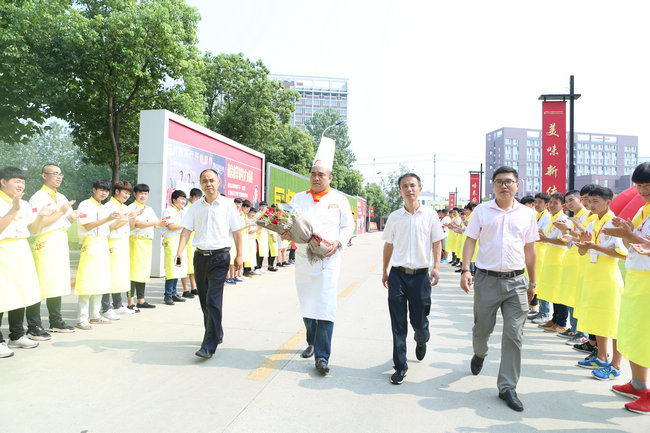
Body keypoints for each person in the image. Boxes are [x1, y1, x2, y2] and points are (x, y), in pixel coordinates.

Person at [460, 166, 538, 412]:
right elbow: (470, 240)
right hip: (486, 280)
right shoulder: (482, 211)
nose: (504, 186)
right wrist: (465, 270)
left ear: (517, 185)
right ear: (492, 185)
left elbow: (530, 250)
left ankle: (507, 386)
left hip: (516, 282)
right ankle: (480, 353)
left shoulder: (527, 214)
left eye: (509, 182)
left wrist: (533, 282)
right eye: (499, 182)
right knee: (482, 328)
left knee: (514, 334)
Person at [284, 137, 354, 375]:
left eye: (321, 174)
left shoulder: (339, 200)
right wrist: (285, 232)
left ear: (330, 177)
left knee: (324, 305)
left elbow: (348, 228)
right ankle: (311, 340)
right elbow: (289, 224)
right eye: (313, 173)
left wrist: (338, 243)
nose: (316, 177)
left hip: (328, 261)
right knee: (307, 303)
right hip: (303, 259)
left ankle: (322, 356)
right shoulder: (298, 199)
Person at [175, 169, 244, 359]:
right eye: (204, 181)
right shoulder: (195, 207)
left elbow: (237, 231)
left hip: (221, 258)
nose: (208, 184)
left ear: (218, 182)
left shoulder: (228, 205)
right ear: (200, 183)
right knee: (205, 301)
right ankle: (216, 332)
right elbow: (186, 230)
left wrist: (240, 256)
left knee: (214, 300)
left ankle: (209, 345)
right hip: (200, 258)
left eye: (211, 180)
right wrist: (179, 251)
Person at [382, 172, 443, 384]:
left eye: (413, 185)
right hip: (398, 274)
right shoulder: (394, 217)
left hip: (420, 276)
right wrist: (385, 270)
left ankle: (421, 337)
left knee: (419, 319)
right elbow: (388, 244)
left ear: (419, 188)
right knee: (398, 323)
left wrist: (436, 266)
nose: (409, 189)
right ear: (400, 191)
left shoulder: (430, 215)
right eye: (405, 186)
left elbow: (437, 242)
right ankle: (400, 365)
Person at [603, 162, 650, 414]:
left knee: (647, 336)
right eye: (639, 185)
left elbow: (640, 242)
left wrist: (632, 237)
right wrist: (626, 233)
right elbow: (636, 242)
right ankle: (638, 384)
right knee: (634, 334)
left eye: (647, 185)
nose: (643, 190)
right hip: (637, 280)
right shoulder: (644, 209)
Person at [574, 186, 626, 378]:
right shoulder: (591, 222)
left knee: (613, 321)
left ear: (608, 202)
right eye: (589, 200)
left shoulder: (613, 223)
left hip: (608, 277)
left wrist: (594, 245)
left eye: (596, 201)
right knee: (598, 318)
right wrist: (584, 245)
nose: (591, 204)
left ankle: (616, 365)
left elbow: (622, 253)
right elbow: (583, 251)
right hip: (593, 275)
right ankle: (602, 357)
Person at [0, 167, 49, 356]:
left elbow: (34, 230)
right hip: (4, 250)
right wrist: (14, 209)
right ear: (3, 182)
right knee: (3, 295)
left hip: (21, 250)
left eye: (23, 182)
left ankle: (17, 335)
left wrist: (42, 215)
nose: (21, 185)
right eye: (16, 181)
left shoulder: (26, 204)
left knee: (21, 292)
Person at [27, 164, 79, 338]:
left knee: (57, 283)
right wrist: (60, 212)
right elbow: (36, 225)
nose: (58, 177)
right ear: (44, 175)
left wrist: (71, 217)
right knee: (41, 284)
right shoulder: (38, 197)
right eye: (54, 174)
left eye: (60, 174)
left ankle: (56, 321)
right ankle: (34, 325)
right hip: (46, 242)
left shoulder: (62, 197)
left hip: (60, 241)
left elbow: (64, 222)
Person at [75, 179, 120, 329]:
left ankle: (95, 314)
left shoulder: (104, 208)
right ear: (94, 189)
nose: (104, 193)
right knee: (87, 280)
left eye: (106, 191)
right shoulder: (85, 205)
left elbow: (108, 227)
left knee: (101, 280)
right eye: (101, 189)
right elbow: (87, 225)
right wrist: (108, 219)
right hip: (90, 242)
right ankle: (82, 318)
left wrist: (125, 219)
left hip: (102, 242)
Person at [101, 181, 140, 319]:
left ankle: (118, 305)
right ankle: (106, 307)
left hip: (123, 242)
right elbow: (111, 227)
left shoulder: (124, 207)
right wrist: (128, 217)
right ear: (116, 191)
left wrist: (132, 216)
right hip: (112, 243)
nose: (127, 196)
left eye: (129, 193)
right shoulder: (109, 206)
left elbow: (131, 226)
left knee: (119, 275)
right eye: (125, 192)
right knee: (110, 275)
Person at [127, 183, 167, 309]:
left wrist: (163, 223)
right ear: (135, 194)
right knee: (133, 272)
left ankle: (141, 300)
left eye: (145, 194)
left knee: (143, 272)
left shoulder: (149, 209)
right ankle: (130, 302)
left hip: (146, 243)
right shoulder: (131, 208)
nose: (143, 196)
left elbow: (156, 225)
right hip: (135, 241)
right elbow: (137, 224)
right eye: (141, 193)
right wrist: (155, 223)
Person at [535, 192, 569, 333]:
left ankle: (561, 322)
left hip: (559, 257)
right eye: (552, 203)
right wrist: (545, 238)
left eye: (556, 203)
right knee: (552, 289)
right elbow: (548, 237)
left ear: (563, 205)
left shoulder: (563, 219)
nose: (553, 205)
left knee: (558, 290)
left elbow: (563, 240)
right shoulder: (553, 218)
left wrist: (545, 239)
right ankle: (554, 319)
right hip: (551, 256)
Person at [161, 190, 188, 305]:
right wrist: (185, 226)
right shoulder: (169, 210)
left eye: (184, 199)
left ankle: (173, 293)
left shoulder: (181, 211)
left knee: (178, 267)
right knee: (172, 268)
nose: (183, 201)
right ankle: (168, 295)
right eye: (181, 199)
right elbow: (171, 226)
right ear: (174, 200)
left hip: (179, 241)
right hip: (171, 241)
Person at [530, 192, 551, 325]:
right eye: (535, 202)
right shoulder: (538, 215)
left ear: (546, 205)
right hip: (536, 250)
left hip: (542, 251)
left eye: (540, 202)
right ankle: (540, 311)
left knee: (543, 282)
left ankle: (545, 312)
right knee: (538, 282)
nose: (536, 205)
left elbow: (541, 234)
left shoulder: (547, 217)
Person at [182, 187, 203, 297]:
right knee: (187, 264)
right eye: (196, 198)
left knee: (193, 265)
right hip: (188, 239)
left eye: (200, 198)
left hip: (195, 239)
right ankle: (186, 289)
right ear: (191, 197)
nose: (198, 200)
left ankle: (194, 287)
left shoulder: (197, 208)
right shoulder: (187, 209)